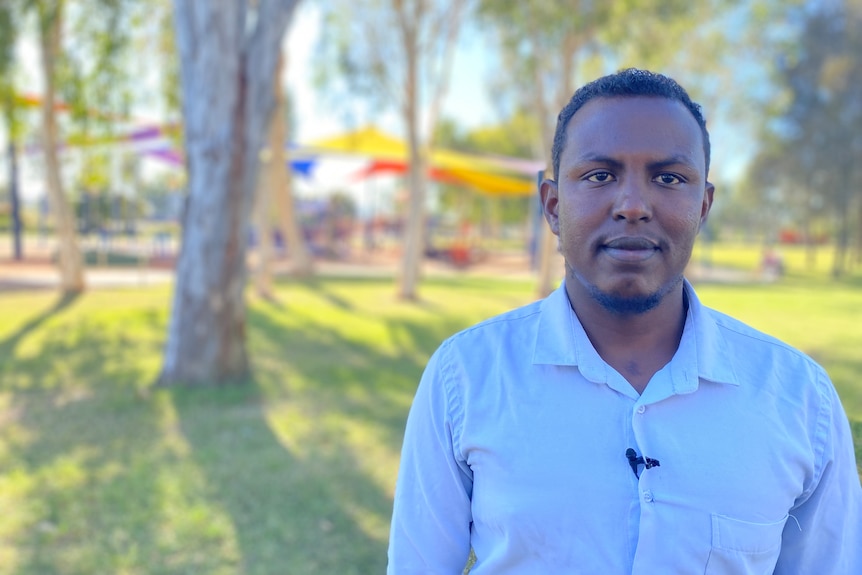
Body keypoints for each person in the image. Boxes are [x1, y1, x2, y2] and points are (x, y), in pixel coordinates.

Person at [386, 68, 862, 574]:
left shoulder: (797, 397)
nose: (633, 206)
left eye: (669, 178)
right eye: (599, 176)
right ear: (552, 206)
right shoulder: (465, 377)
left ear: (702, 207)